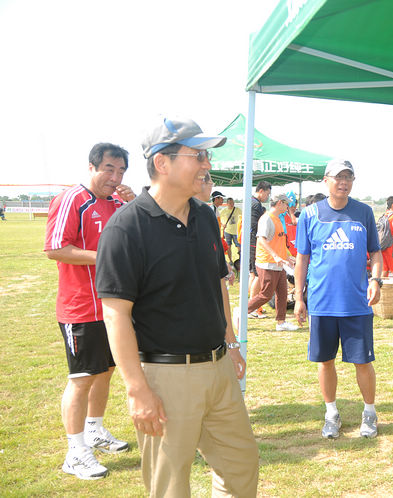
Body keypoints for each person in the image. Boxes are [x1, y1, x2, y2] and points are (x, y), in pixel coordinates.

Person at [95, 117, 259, 496]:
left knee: (241, 464)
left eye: (206, 155)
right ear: (162, 163)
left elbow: (217, 283)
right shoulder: (126, 228)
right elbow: (116, 314)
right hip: (165, 376)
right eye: (198, 155)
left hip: (218, 369)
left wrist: (231, 342)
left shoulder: (204, 215)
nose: (207, 163)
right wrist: (137, 389)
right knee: (170, 484)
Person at [44, 143, 134, 480]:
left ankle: (94, 430)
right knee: (82, 379)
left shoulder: (117, 202)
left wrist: (132, 200)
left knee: (107, 370)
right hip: (80, 306)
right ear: (92, 167)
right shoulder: (72, 199)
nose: (115, 177)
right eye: (110, 169)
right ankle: (75, 451)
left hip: (113, 305)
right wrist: (103, 257)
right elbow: (55, 249)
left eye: (121, 170)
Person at [294, 159, 383, 439]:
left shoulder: (364, 212)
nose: (343, 182)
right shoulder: (309, 215)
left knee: (362, 362)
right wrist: (299, 298)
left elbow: (376, 253)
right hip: (321, 303)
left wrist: (376, 280)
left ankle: (369, 413)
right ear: (326, 180)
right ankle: (331, 414)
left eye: (348, 177)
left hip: (356, 303)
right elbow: (302, 259)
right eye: (338, 177)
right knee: (325, 361)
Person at [247, 193, 299, 331]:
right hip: (268, 263)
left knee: (282, 293)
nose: (288, 206)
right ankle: (242, 311)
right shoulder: (267, 219)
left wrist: (287, 257)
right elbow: (261, 239)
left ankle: (281, 322)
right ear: (280, 203)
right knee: (266, 294)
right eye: (286, 204)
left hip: (278, 264)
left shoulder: (277, 219)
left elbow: (279, 241)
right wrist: (275, 256)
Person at [248, 181, 272, 318]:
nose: (267, 197)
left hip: (251, 242)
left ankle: (251, 305)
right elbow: (254, 227)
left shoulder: (253, 203)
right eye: (267, 194)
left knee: (252, 274)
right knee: (256, 274)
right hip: (254, 242)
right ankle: (252, 307)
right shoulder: (255, 204)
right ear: (261, 191)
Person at [220, 197, 241, 262]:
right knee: (228, 246)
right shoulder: (223, 211)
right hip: (227, 231)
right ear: (227, 203)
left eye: (233, 203)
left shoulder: (238, 210)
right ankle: (230, 260)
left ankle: (240, 260)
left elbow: (242, 218)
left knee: (238, 246)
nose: (232, 204)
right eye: (230, 203)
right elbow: (219, 219)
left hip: (236, 231)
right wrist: (222, 224)